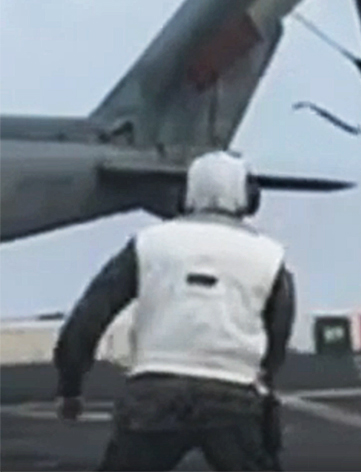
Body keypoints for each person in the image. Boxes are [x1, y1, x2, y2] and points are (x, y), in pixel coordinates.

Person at [53, 151, 295, 471]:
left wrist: (70, 389)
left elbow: (88, 318)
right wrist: (264, 379)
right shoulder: (269, 257)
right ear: (248, 197)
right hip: (233, 396)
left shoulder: (148, 244)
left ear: (185, 195)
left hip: (153, 395)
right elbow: (279, 331)